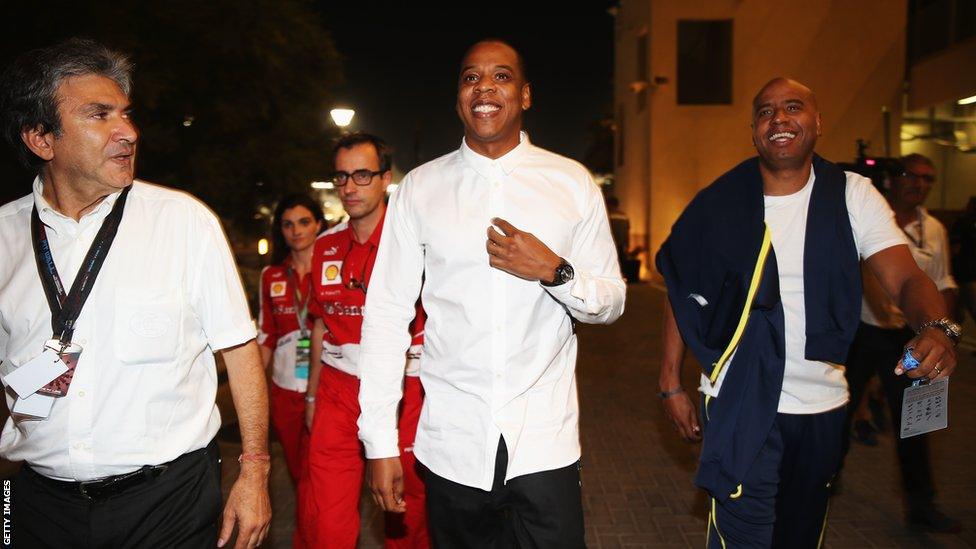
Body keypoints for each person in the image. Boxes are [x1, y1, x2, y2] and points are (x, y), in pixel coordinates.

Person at [656, 78, 960, 548]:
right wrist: (670, 382)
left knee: (800, 536)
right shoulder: (721, 203)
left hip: (823, 405)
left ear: (817, 123)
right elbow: (683, 292)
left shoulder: (852, 195)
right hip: (739, 400)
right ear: (754, 130)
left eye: (792, 107)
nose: (778, 119)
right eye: (765, 111)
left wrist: (937, 328)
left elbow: (904, 278)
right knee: (743, 539)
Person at [0, 39, 270, 548]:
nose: (128, 132)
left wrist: (253, 473)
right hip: (36, 503)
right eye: (99, 115)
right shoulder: (4, 238)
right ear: (41, 139)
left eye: (125, 114)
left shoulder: (183, 222)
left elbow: (238, 349)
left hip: (169, 502)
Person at [358, 39, 626, 548]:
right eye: (470, 77)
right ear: (459, 97)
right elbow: (387, 315)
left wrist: (556, 271)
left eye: (501, 77)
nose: (484, 87)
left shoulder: (571, 183)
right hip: (452, 443)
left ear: (524, 95)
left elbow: (612, 301)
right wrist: (379, 441)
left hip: (544, 441)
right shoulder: (420, 187)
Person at [299, 133, 428, 548]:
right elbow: (320, 326)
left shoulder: (415, 244)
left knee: (403, 509)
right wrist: (312, 397)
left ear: (385, 178)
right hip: (337, 391)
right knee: (326, 518)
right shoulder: (325, 247)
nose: (349, 187)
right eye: (341, 177)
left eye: (362, 175)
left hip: (403, 391)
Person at [843, 153, 960, 532]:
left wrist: (944, 334)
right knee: (838, 413)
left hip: (910, 341)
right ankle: (823, 479)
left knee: (916, 421)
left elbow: (943, 284)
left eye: (929, 178)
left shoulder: (936, 230)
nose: (920, 184)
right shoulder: (869, 215)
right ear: (893, 180)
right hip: (864, 333)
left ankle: (921, 505)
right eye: (913, 176)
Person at [256, 193, 323, 542]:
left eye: (304, 222)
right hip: (284, 391)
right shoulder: (271, 276)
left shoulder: (331, 270)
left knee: (321, 475)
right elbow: (266, 335)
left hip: (326, 389)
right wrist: (253, 391)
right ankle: (310, 532)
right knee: (298, 474)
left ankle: (312, 536)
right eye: (287, 224)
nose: (296, 231)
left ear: (319, 224)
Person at [951, 196, 976, 325]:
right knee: (957, 307)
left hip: (965, 270)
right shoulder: (964, 222)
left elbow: (955, 248)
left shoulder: (962, 223)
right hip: (966, 269)